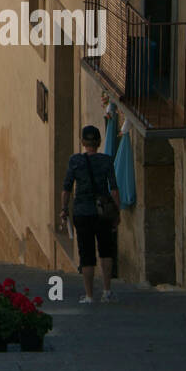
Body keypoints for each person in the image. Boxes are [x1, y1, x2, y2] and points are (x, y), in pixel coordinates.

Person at [62, 125, 120, 304]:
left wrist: (64, 209)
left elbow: (67, 188)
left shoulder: (75, 161)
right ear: (99, 142)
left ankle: (89, 295)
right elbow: (114, 190)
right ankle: (107, 291)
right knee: (106, 252)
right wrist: (116, 214)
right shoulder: (107, 160)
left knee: (86, 254)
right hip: (102, 212)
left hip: (82, 212)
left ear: (82, 142)